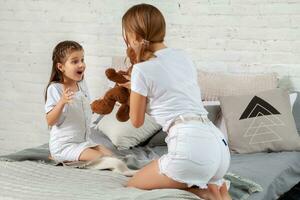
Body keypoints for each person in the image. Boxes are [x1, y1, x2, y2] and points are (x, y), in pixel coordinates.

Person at [120, 4, 231, 200]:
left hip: (190, 147)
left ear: (134, 36)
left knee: (132, 187)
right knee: (218, 193)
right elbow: (172, 93)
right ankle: (214, 190)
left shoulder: (141, 69)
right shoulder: (183, 57)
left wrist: (135, 93)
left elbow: (135, 121)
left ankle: (203, 192)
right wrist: (139, 89)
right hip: (218, 146)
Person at [44, 40, 112, 163]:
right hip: (64, 145)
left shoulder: (81, 84)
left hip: (83, 142)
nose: (81, 65)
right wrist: (62, 102)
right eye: (75, 61)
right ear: (61, 67)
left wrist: (102, 103)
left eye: (82, 60)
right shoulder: (55, 88)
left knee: (111, 156)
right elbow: (50, 120)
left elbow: (85, 112)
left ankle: (75, 155)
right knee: (103, 160)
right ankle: (58, 155)